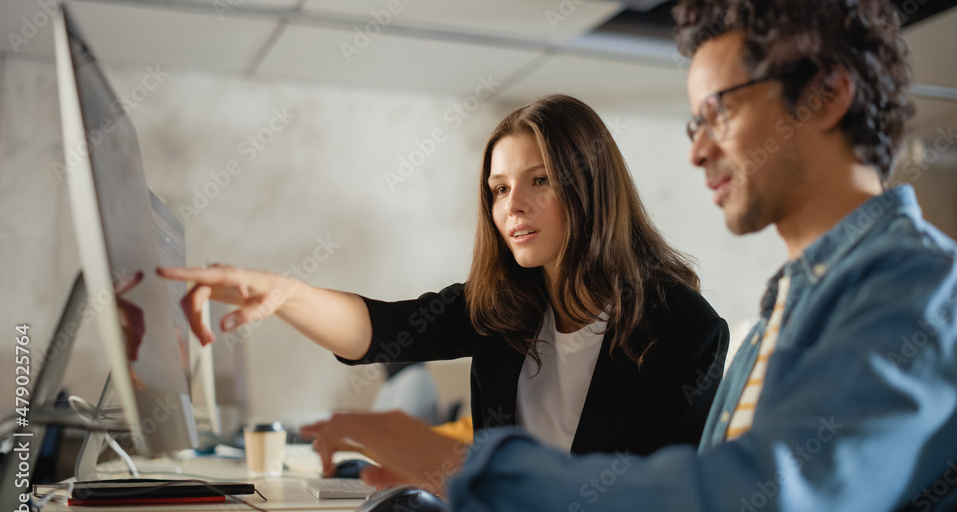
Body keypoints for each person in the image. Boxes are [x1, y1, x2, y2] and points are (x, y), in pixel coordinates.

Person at [303, 0, 957, 512]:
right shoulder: (785, 311)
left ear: (825, 93)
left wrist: (465, 468)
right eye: (692, 121)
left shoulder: (919, 285)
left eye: (719, 110)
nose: (697, 148)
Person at [159, 94, 730, 478]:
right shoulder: (506, 306)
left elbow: (662, 507)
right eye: (499, 189)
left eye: (540, 181)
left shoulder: (684, 330)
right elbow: (379, 332)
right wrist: (281, 293)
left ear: (591, 185)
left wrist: (444, 469)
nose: (514, 206)